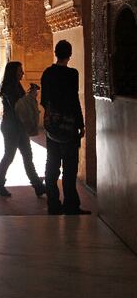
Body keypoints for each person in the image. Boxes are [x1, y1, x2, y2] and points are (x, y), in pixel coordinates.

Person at [40, 39, 91, 215]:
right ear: (69, 55)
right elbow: (74, 101)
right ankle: (71, 205)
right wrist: (81, 124)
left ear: (55, 53)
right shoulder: (72, 74)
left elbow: (43, 100)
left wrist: (52, 117)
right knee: (70, 168)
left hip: (52, 127)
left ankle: (53, 204)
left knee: (52, 165)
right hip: (69, 128)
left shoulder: (47, 73)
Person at [0, 62, 46, 197]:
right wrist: (31, 96)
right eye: (20, 71)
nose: (22, 73)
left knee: (27, 156)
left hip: (18, 126)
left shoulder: (15, 85)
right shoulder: (10, 88)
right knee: (10, 156)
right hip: (12, 127)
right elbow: (18, 107)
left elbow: (20, 104)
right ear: (13, 72)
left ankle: (37, 186)